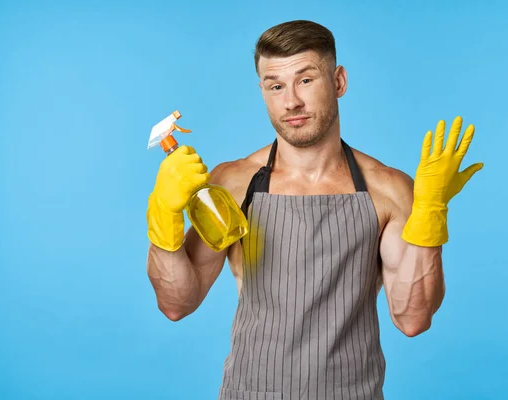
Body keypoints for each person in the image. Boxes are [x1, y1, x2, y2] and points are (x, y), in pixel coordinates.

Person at [145, 19, 483, 400]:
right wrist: (164, 218)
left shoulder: (387, 190)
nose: (290, 101)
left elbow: (412, 318)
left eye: (305, 80)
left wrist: (430, 213)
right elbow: (176, 304)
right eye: (275, 85)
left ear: (338, 81)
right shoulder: (234, 184)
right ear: (262, 91)